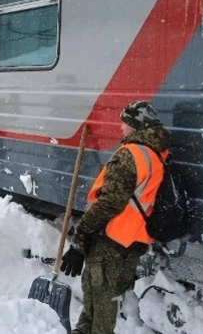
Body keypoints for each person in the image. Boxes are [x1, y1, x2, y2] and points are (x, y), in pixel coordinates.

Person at [61, 100, 171, 334]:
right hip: (131, 244)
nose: (121, 128)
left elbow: (109, 203)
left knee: (100, 313)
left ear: (136, 126)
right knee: (100, 304)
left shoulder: (130, 155)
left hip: (111, 242)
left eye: (125, 123)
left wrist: (79, 242)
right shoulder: (155, 156)